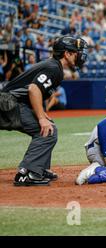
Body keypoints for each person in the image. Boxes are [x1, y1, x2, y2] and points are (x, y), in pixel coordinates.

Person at [0, 35, 87, 186]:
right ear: (67, 53)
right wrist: (40, 118)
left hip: (11, 102)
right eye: (76, 52)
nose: (80, 55)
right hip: (9, 103)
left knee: (49, 128)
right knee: (47, 132)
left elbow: (34, 90)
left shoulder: (53, 66)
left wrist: (42, 114)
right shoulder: (54, 68)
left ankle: (38, 168)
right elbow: (34, 89)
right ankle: (28, 173)